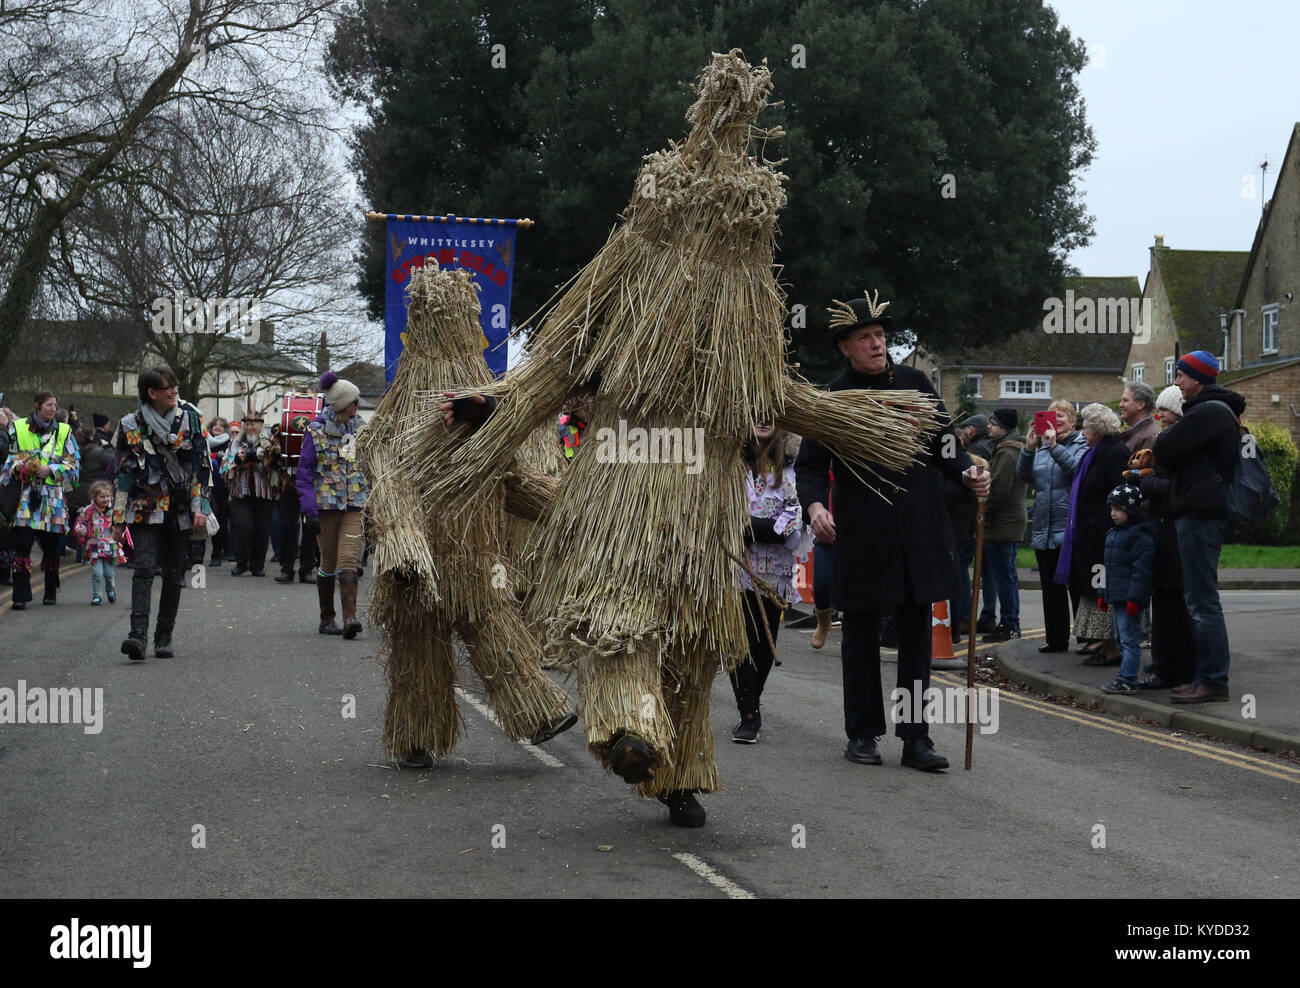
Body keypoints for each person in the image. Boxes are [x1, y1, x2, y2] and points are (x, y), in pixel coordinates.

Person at [796, 292, 990, 772]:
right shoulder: (833, 400)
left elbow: (946, 445)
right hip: (863, 535)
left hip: (920, 531)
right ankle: (862, 733)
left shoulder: (916, 383)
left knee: (916, 639)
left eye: (880, 336)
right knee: (860, 637)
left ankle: (915, 738)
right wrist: (817, 506)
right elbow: (810, 468)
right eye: (865, 338)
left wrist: (967, 472)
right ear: (845, 347)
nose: (877, 344)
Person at [1155, 351, 1244, 704]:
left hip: (1200, 514)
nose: (1177, 382)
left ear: (1199, 379)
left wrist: (1169, 439)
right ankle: (1205, 678)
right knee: (1199, 600)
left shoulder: (1207, 412)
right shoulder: (1214, 412)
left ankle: (1212, 680)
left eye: (1181, 376)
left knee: (1202, 602)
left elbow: (1165, 449)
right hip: (1201, 511)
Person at [112, 367, 211, 660]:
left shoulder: (192, 419)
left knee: (173, 573)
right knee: (143, 569)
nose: (175, 391)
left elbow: (201, 468)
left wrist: (200, 506)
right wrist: (118, 518)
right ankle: (137, 637)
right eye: (168, 387)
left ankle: (164, 636)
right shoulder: (130, 424)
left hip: (180, 508)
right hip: (144, 509)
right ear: (152, 393)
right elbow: (122, 476)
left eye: (176, 386)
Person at [731, 423, 811, 743]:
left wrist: (756, 528)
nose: (762, 421)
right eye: (756, 414)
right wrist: (738, 528)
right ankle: (748, 713)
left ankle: (752, 701)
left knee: (765, 642)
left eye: (770, 415)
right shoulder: (732, 461)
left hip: (773, 570)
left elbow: (795, 514)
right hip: (735, 566)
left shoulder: (792, 464)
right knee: (740, 638)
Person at [1053, 403, 1129, 664]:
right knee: (1095, 591)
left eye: (1086, 427)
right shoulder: (1094, 452)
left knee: (1104, 592)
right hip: (1090, 536)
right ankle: (1103, 645)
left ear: (1098, 429)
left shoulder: (1115, 452)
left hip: (1104, 537)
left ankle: (1112, 649)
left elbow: (1119, 493)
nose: (1082, 431)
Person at [1131, 385, 1196, 689]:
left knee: (1174, 601)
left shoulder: (1181, 447)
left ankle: (1174, 669)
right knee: (1165, 599)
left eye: (1167, 413)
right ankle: (1166, 665)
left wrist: (1145, 482)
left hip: (1175, 532)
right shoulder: (1169, 442)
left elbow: (1177, 489)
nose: (1161, 417)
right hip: (1162, 530)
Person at [297, 371, 369, 639]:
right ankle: (327, 619)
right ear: (341, 405)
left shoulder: (362, 430)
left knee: (349, 558)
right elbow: (304, 476)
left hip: (355, 504)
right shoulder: (315, 433)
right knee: (328, 563)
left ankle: (350, 618)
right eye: (354, 401)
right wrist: (309, 511)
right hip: (325, 507)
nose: (357, 406)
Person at [1019, 398, 1087, 653]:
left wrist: (1054, 446)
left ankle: (1085, 639)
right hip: (1043, 527)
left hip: (1068, 527)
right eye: (1051, 417)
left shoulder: (1081, 445)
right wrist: (1028, 449)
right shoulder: (1042, 449)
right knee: (1050, 587)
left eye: (1061, 416)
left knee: (1077, 587)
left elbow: (1076, 470)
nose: (1056, 421)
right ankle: (1056, 640)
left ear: (1073, 420)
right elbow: (1023, 477)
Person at [1, 392, 80, 608]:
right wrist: (19, 467)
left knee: (51, 547)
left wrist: (51, 469)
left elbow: (74, 464)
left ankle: (50, 591)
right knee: (21, 545)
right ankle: (20, 595)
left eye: (55, 405)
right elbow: (8, 459)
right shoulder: (17, 428)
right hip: (25, 495)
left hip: (52, 497)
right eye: (48, 405)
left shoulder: (64, 431)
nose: (53, 409)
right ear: (37, 405)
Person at [1097, 483, 1158, 693]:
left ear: (1130, 510)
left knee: (1128, 639)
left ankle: (1128, 678)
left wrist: (1134, 599)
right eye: (1111, 509)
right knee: (1121, 638)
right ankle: (1126, 676)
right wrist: (1102, 593)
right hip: (1117, 595)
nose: (1113, 513)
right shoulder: (1115, 533)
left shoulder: (1140, 536)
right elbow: (1108, 567)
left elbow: (1141, 572)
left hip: (1129, 598)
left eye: (1118, 509)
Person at [979, 407, 1028, 642]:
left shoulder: (1008, 453)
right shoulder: (1008, 449)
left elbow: (998, 489)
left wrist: (983, 513)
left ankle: (1010, 624)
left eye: (993, 423)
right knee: (1007, 574)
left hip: (1002, 523)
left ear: (1004, 428)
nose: (989, 426)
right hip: (1008, 521)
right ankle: (1010, 622)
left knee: (1004, 576)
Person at [222, 408, 280, 576]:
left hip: (265, 492)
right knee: (244, 527)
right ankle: (241, 562)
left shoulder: (270, 442)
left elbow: (279, 465)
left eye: (253, 424)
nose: (250, 427)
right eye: (247, 424)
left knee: (262, 529)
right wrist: (238, 461)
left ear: (261, 426)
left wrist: (271, 458)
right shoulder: (235, 442)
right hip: (242, 492)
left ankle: (257, 565)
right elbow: (225, 465)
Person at [275, 414, 319, 585]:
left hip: (310, 482)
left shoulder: (320, 429)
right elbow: (271, 455)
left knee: (310, 526)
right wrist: (275, 451)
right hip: (289, 483)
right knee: (287, 526)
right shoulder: (282, 430)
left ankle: (307, 569)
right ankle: (286, 569)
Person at [73, 480, 126, 604]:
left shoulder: (114, 511)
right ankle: (97, 595)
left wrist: (120, 532)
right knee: (97, 573)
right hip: (94, 547)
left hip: (110, 547)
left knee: (109, 574)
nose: (106, 499)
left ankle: (110, 590)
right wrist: (81, 530)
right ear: (94, 497)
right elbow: (81, 522)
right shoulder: (88, 510)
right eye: (102, 496)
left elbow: (122, 526)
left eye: (108, 496)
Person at [205, 418, 232, 566]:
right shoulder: (204, 440)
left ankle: (217, 553)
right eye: (215, 424)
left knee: (220, 521)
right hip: (205, 487)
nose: (217, 427)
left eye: (221, 425)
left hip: (221, 488)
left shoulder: (228, 443)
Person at [1119, 380, 1159, 454]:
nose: (1120, 404)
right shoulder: (1138, 433)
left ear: (1140, 405)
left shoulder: (1148, 437)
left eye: (1125, 400)